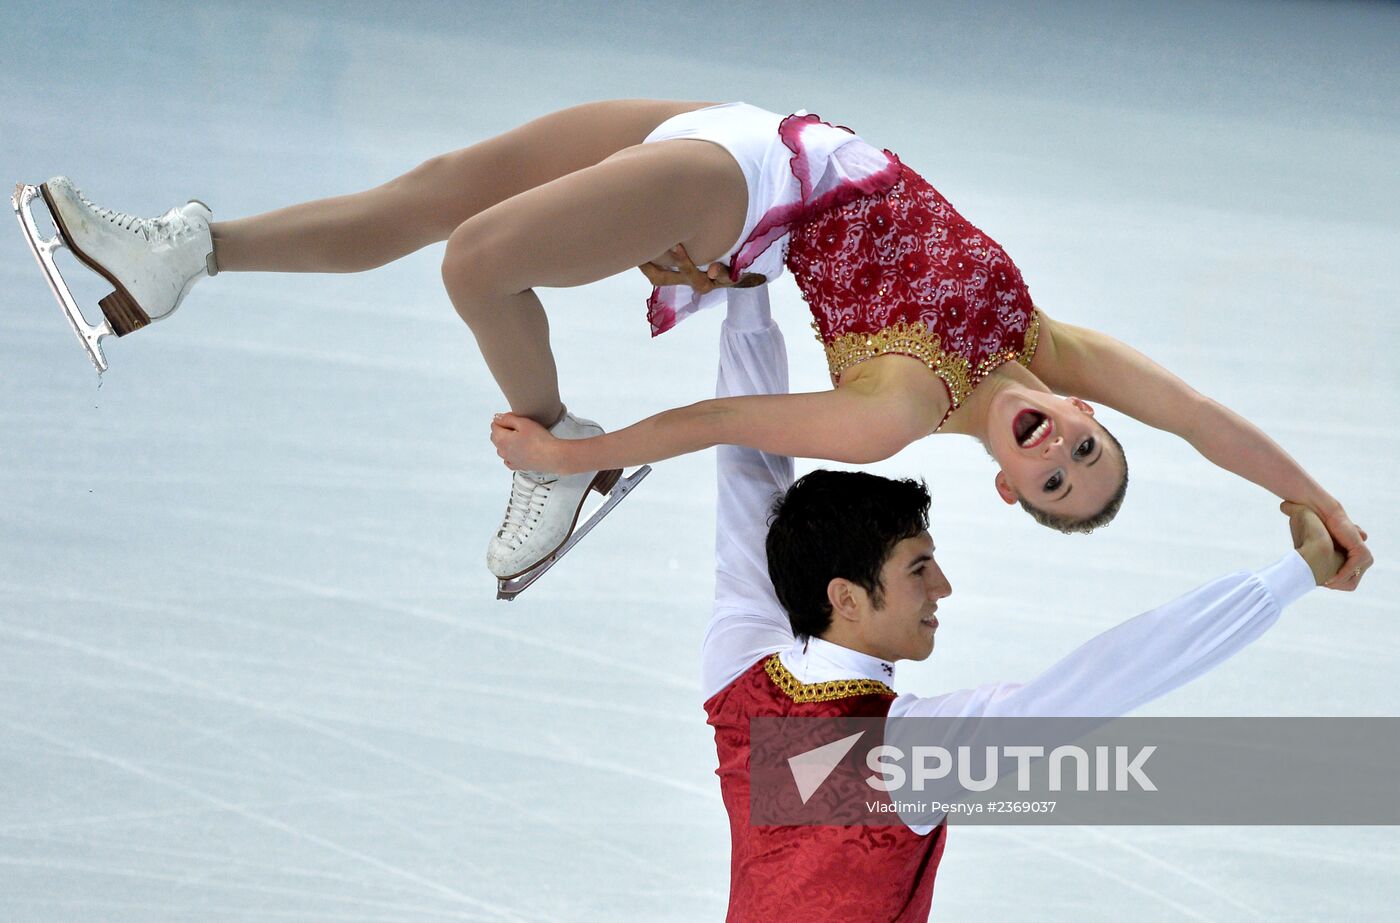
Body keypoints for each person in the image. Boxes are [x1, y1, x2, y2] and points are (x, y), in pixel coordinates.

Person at [32, 99, 1369, 586]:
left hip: (745, 192)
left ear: (1015, 495)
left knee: (475, 259)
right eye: (1094, 449)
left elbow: (725, 426)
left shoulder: (891, 416)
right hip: (744, 126)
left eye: (1062, 480)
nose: (1071, 445)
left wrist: (592, 443)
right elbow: (1198, 412)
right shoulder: (1046, 344)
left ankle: (550, 469)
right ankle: (190, 253)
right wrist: (1309, 495)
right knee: (446, 185)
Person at [701, 288, 1341, 921]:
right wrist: (1288, 580)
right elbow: (1105, 681)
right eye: (918, 569)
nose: (942, 587)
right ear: (845, 597)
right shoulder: (901, 753)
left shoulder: (740, 675)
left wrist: (747, 296)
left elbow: (751, 472)